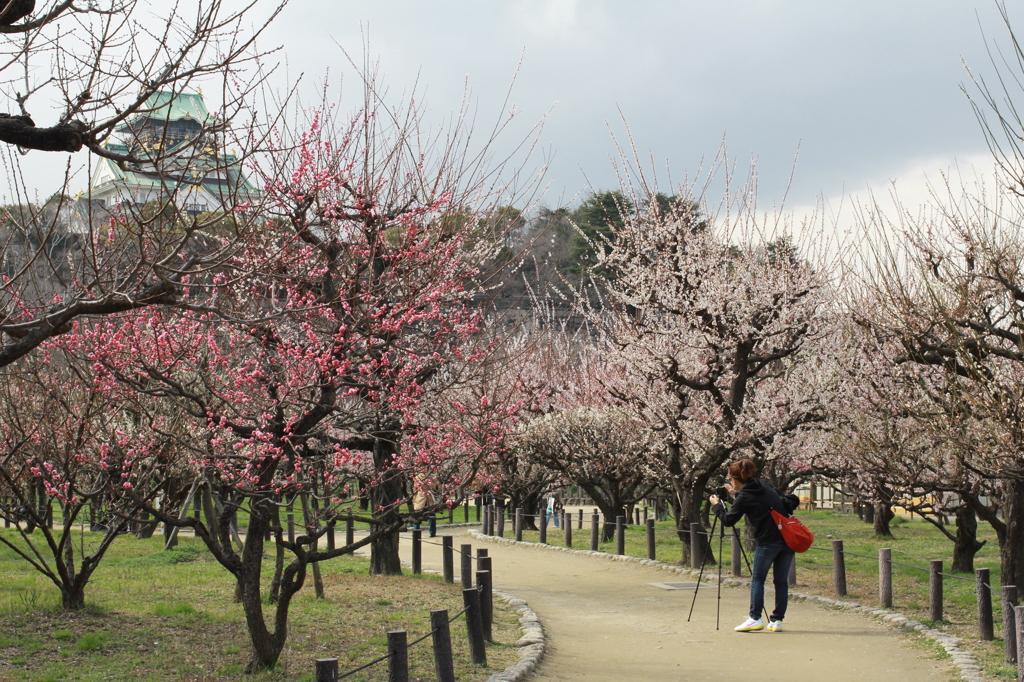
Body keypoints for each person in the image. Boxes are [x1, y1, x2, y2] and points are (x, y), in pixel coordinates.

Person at [709, 459, 800, 633]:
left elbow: (728, 520)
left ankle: (755, 618)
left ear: (734, 478)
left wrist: (716, 507)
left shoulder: (745, 495)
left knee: (758, 578)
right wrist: (735, 493)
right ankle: (777, 621)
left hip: (768, 541)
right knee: (781, 581)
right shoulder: (761, 485)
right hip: (787, 539)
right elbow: (755, 500)